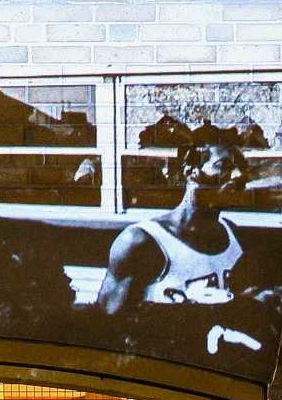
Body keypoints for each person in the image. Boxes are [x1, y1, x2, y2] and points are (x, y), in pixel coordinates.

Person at [96, 127, 251, 315]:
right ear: (190, 171)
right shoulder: (141, 241)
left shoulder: (233, 235)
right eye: (224, 167)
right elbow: (106, 323)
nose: (239, 176)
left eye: (242, 168)